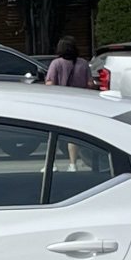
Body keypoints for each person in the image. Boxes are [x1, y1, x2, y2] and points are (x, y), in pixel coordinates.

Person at [44, 37, 93, 171]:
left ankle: (50, 165)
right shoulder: (83, 63)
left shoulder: (56, 63)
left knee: (53, 135)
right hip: (79, 103)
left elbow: (50, 84)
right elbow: (90, 84)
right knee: (73, 135)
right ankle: (73, 164)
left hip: (60, 103)